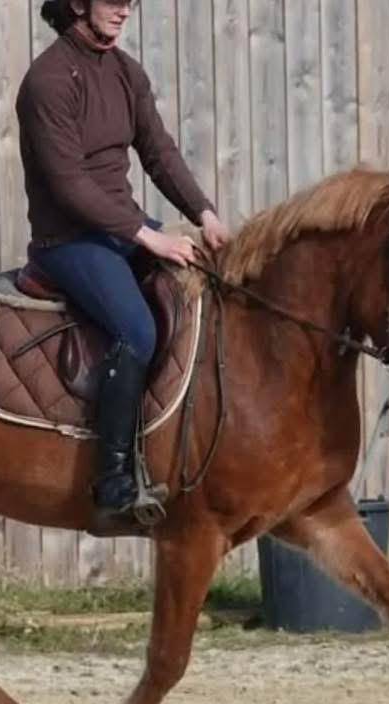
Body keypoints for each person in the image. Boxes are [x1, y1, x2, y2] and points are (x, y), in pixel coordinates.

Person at [17, 0, 229, 522]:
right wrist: (149, 238)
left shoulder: (126, 73)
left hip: (120, 231)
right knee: (136, 329)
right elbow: (69, 186)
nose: (126, 10)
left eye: (131, 2)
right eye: (115, 1)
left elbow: (159, 153)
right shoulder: (47, 81)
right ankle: (113, 480)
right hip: (67, 240)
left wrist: (203, 212)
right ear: (78, 5)